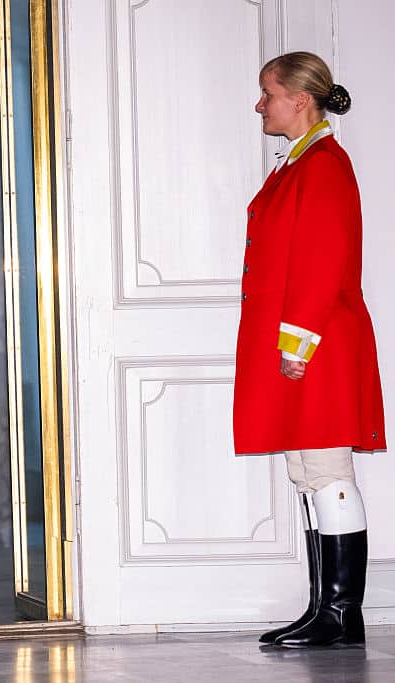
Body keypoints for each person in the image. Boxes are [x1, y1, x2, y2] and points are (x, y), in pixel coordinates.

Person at [235, 51, 385, 648]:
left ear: (299, 98)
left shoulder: (323, 164)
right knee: (308, 472)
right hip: (306, 342)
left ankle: (343, 614)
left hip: (316, 344)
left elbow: (322, 264)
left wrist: (296, 344)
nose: (259, 104)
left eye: (267, 93)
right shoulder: (302, 161)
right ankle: (325, 609)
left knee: (327, 471)